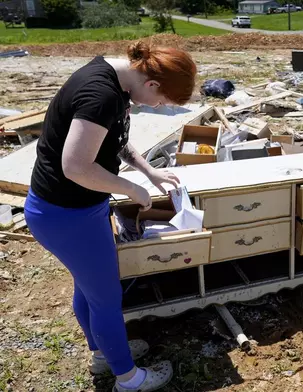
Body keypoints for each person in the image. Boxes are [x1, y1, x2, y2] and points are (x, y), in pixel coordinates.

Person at [24, 41, 197, 392]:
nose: (159, 106)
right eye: (162, 101)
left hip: (76, 209)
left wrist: (149, 172)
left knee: (89, 287)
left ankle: (104, 352)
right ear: (151, 84)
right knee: (105, 296)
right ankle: (128, 378)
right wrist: (131, 189)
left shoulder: (116, 82)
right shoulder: (100, 95)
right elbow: (74, 166)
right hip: (66, 215)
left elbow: (115, 139)